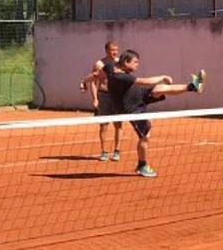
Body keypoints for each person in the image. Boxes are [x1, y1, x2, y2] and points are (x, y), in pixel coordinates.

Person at [105, 50, 206, 178]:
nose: (137, 65)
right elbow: (144, 81)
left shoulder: (110, 68)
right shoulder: (120, 76)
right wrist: (162, 77)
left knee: (160, 89)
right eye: (135, 62)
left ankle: (193, 87)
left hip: (138, 96)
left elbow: (107, 64)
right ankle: (142, 165)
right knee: (145, 136)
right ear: (126, 62)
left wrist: (113, 62)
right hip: (131, 108)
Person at [80, 41, 123, 161]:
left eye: (116, 49)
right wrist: (95, 99)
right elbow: (93, 82)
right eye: (112, 50)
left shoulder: (120, 63)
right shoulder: (99, 64)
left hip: (117, 97)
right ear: (106, 50)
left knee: (118, 125)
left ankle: (117, 151)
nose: (114, 52)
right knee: (103, 125)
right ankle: (104, 151)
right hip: (103, 96)